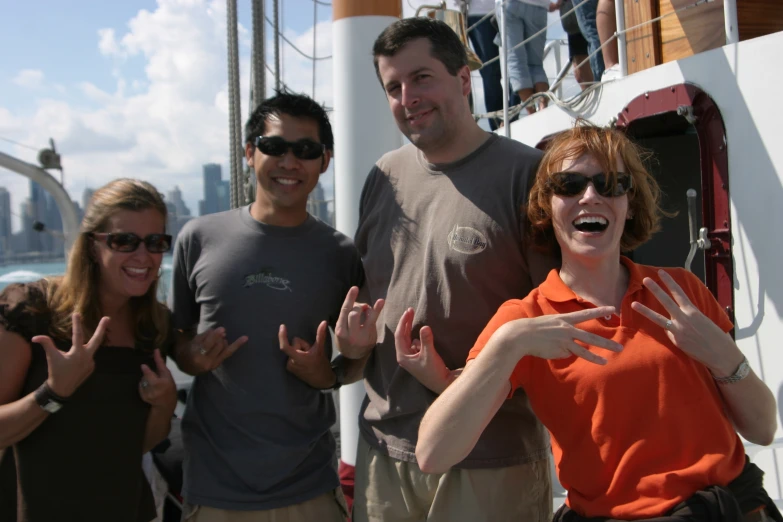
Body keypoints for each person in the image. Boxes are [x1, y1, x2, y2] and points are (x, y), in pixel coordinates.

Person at [416, 124, 782, 521]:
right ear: (547, 205)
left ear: (629, 203)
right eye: (568, 185)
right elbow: (433, 453)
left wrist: (722, 355)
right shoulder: (525, 321)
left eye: (610, 183)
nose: (589, 196)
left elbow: (763, 429)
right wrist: (507, 345)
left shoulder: (682, 290)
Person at [344, 16, 558, 522]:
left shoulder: (527, 176)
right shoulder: (383, 176)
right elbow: (368, 294)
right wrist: (348, 347)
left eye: (422, 78)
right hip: (384, 452)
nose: (408, 97)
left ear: (464, 79)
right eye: (393, 87)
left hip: (489, 456)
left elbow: (555, 324)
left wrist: (454, 380)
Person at [169, 91, 382, 522]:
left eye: (305, 151)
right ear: (250, 153)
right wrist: (191, 357)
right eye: (274, 147)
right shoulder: (197, 238)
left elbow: (365, 355)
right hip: (214, 487)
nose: (290, 162)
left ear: (325, 161)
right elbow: (176, 340)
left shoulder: (341, 255)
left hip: (309, 484)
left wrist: (331, 373)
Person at [0, 178, 177, 522]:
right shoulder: (32, 311)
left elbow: (135, 445)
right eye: (124, 241)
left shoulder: (153, 326)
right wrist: (54, 392)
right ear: (94, 246)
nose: (143, 256)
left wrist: (165, 404)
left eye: (155, 242)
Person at [465, 0, 521, 129]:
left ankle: (509, 117)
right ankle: (499, 122)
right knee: (491, 73)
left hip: (506, 10)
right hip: (479, 14)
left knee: (514, 65)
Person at [495, 0, 558, 113]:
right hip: (539, 7)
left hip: (509, 5)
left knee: (516, 61)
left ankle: (532, 113)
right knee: (536, 64)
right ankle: (543, 109)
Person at [554, 0, 595, 89]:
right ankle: (590, 95)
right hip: (573, 15)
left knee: (583, 76)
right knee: (580, 75)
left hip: (582, 10)